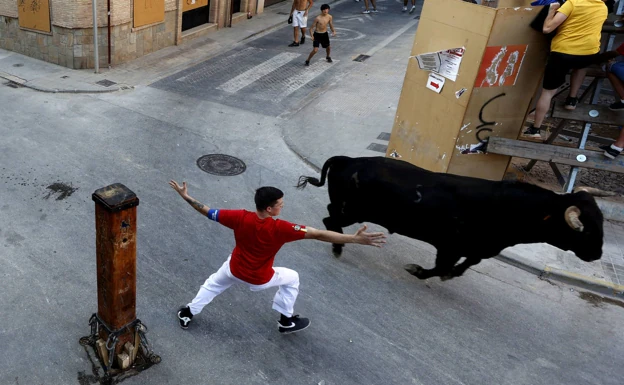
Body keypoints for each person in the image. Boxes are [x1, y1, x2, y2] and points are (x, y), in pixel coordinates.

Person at [169, 181, 386, 334]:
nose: (283, 206)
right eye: (280, 204)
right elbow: (318, 234)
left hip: (234, 268)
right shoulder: (282, 228)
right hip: (260, 278)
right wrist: (354, 239)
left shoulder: (239, 217)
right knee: (292, 279)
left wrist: (185, 195)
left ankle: (187, 313)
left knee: (212, 284)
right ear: (269, 208)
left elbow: (207, 211)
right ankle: (286, 320)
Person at [523, 0, 608, 139]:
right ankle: (572, 99)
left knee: (548, 92)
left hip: (563, 52)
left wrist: (552, 10)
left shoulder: (571, 3)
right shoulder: (602, 6)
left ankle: (535, 129)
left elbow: (547, 28)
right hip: (588, 53)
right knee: (581, 67)